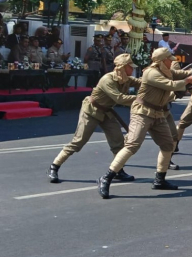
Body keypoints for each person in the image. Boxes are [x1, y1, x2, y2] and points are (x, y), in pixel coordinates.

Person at [96, 48, 192, 199]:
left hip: (158, 113)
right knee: (132, 145)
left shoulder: (166, 70)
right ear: (162, 60)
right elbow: (171, 85)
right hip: (142, 112)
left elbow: (182, 74)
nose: (171, 61)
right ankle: (107, 177)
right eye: (169, 59)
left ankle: (160, 179)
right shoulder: (151, 73)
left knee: (168, 145)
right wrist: (186, 82)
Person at [48, 54, 142, 183]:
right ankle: (54, 166)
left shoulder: (126, 78)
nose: (132, 69)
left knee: (118, 142)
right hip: (92, 111)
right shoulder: (107, 79)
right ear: (123, 67)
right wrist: (141, 99)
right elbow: (119, 99)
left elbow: (143, 83)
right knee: (78, 142)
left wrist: (160, 80)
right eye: (130, 67)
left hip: (107, 112)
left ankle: (118, 170)